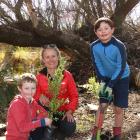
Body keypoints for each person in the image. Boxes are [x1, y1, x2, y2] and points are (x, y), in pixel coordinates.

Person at [90, 17, 130, 140]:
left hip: (122, 77)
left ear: (112, 30)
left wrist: (112, 83)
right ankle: (95, 134)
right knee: (102, 105)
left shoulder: (119, 46)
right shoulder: (93, 46)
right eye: (100, 30)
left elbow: (121, 66)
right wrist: (103, 79)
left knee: (118, 108)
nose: (103, 32)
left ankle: (117, 135)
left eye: (106, 28)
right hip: (105, 78)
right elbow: (97, 63)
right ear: (96, 33)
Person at [33, 44, 79, 140]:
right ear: (43, 60)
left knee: (69, 127)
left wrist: (69, 111)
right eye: (47, 57)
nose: (51, 60)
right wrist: (39, 96)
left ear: (58, 57)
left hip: (61, 111)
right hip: (45, 111)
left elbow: (74, 96)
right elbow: (32, 94)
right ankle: (45, 130)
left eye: (53, 56)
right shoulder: (39, 77)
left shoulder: (67, 75)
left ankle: (57, 133)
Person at [6, 73, 52, 140]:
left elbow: (44, 112)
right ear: (19, 88)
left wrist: (37, 120)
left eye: (33, 88)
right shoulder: (17, 104)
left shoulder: (32, 102)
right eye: (26, 88)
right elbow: (22, 127)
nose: (30, 92)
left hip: (26, 137)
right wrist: (41, 122)